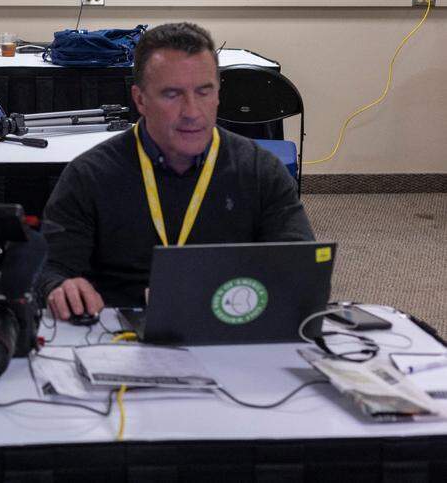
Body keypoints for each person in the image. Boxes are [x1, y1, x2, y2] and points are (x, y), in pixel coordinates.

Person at [37, 22, 314, 320]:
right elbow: (50, 268)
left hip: (229, 322)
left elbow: (300, 265)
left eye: (204, 92)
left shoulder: (260, 170)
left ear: (219, 94)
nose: (193, 112)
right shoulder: (90, 175)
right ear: (140, 99)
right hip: (120, 333)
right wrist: (60, 286)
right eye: (172, 94)